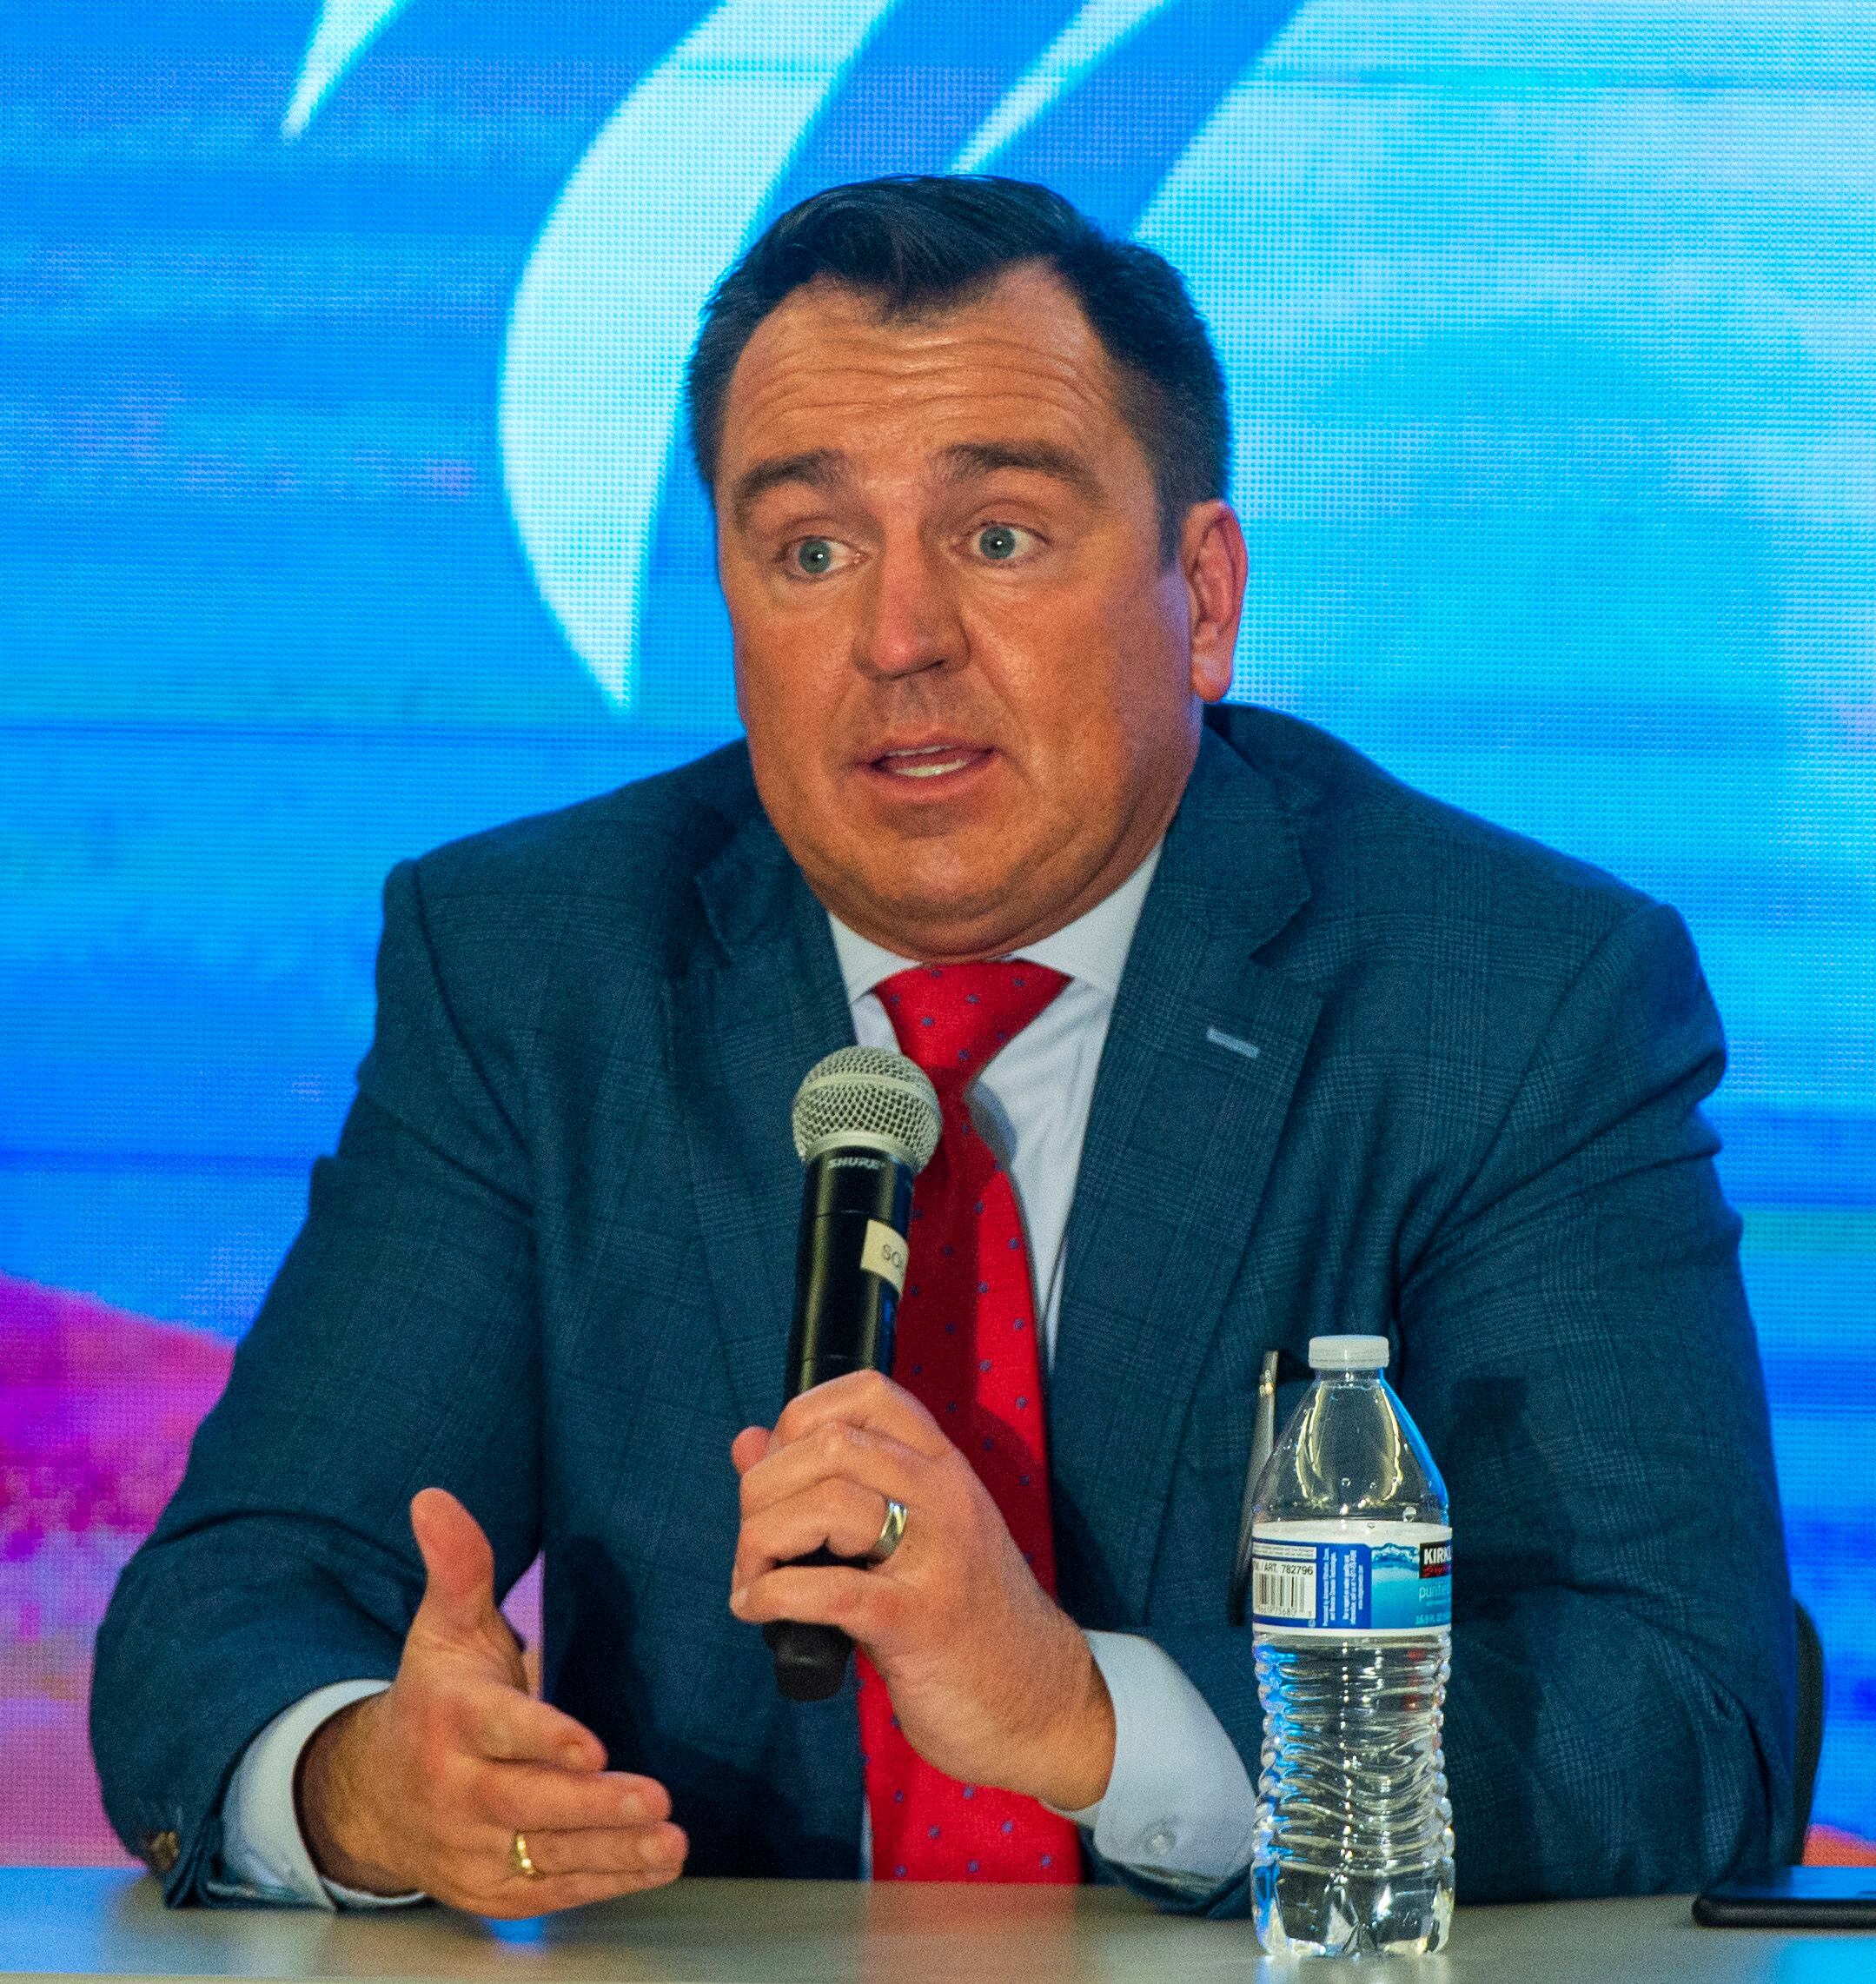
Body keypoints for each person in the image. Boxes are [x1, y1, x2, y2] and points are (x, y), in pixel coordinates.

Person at [91, 176, 1794, 1920]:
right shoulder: (540, 969)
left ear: (1200, 596)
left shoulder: (1510, 995)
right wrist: (367, 1778)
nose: (899, 639)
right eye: (810, 550)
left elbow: (1690, 1710)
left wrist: (1084, 1713)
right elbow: (222, 1616)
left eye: (999, 535)